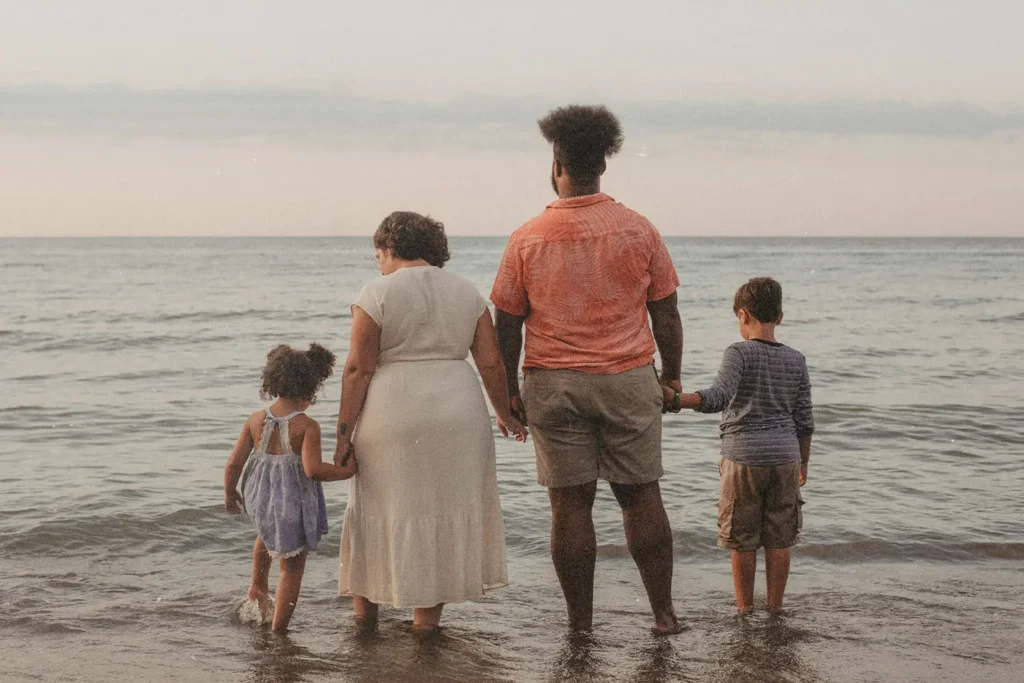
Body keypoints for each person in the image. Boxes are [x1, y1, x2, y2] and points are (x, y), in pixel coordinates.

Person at [491, 104, 684, 633]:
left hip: (553, 383)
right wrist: (671, 377)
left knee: (570, 508)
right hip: (627, 379)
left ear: (556, 163)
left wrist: (507, 391)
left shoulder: (527, 237)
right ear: (603, 164)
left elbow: (506, 323)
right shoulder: (639, 230)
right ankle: (664, 615)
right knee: (641, 497)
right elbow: (666, 312)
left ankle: (580, 625)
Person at [334, 211, 528, 633]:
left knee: (376, 508)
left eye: (378, 256)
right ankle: (425, 626)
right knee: (441, 512)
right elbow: (492, 365)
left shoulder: (375, 293)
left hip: (393, 411)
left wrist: (343, 435)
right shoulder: (467, 292)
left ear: (389, 248)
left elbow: (357, 370)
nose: (378, 265)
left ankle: (365, 621)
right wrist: (506, 415)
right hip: (458, 411)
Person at [677, 277, 814, 611]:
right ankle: (775, 609)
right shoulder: (797, 359)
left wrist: (676, 400)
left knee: (743, 539)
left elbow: (718, 397)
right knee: (780, 539)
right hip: (786, 457)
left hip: (744, 458)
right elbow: (805, 420)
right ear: (779, 317)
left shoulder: (738, 352)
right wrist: (804, 462)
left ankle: (744, 610)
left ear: (743, 315)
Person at [223, 343, 358, 633]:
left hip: (259, 498)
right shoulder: (306, 426)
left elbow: (234, 463)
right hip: (291, 501)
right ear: (309, 388)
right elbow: (313, 470)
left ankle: (257, 586)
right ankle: (279, 630)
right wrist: (346, 472)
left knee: (265, 535)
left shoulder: (256, 419)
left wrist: (230, 492)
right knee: (292, 567)